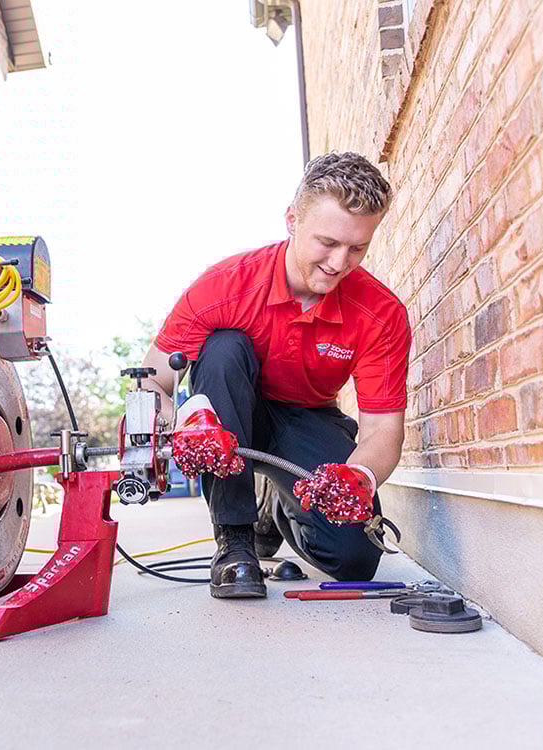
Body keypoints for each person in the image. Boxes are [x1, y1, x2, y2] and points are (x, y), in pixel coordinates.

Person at [142, 152, 411, 598]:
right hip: (228, 408)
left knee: (354, 559)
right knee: (224, 346)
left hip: (305, 417)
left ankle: (277, 509)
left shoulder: (380, 313)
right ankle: (235, 542)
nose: (339, 262)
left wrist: (359, 476)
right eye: (327, 242)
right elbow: (152, 381)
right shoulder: (225, 286)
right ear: (292, 219)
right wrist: (185, 424)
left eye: (357, 248)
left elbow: (384, 429)